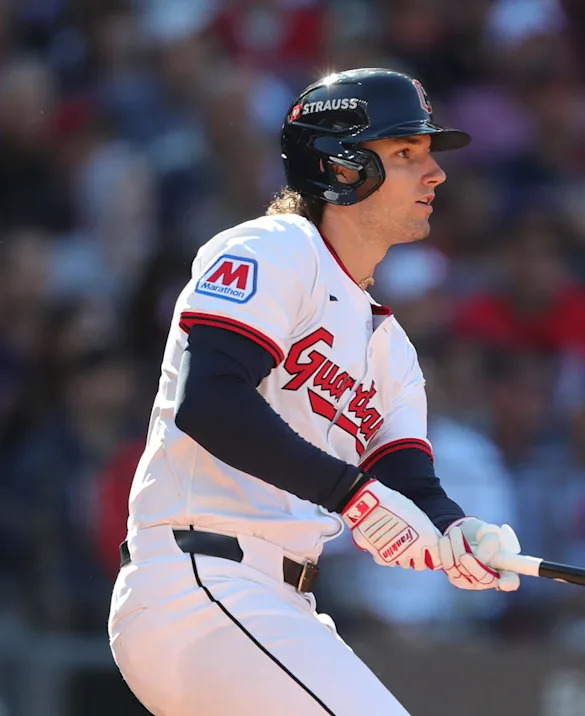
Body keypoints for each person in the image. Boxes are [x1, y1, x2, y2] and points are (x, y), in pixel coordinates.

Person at [107, 68, 522, 715]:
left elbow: (410, 485)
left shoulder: (390, 346)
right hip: (200, 580)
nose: (435, 174)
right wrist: (353, 497)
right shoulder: (276, 248)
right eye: (407, 155)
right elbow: (211, 402)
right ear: (344, 167)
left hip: (279, 602)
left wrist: (458, 533)